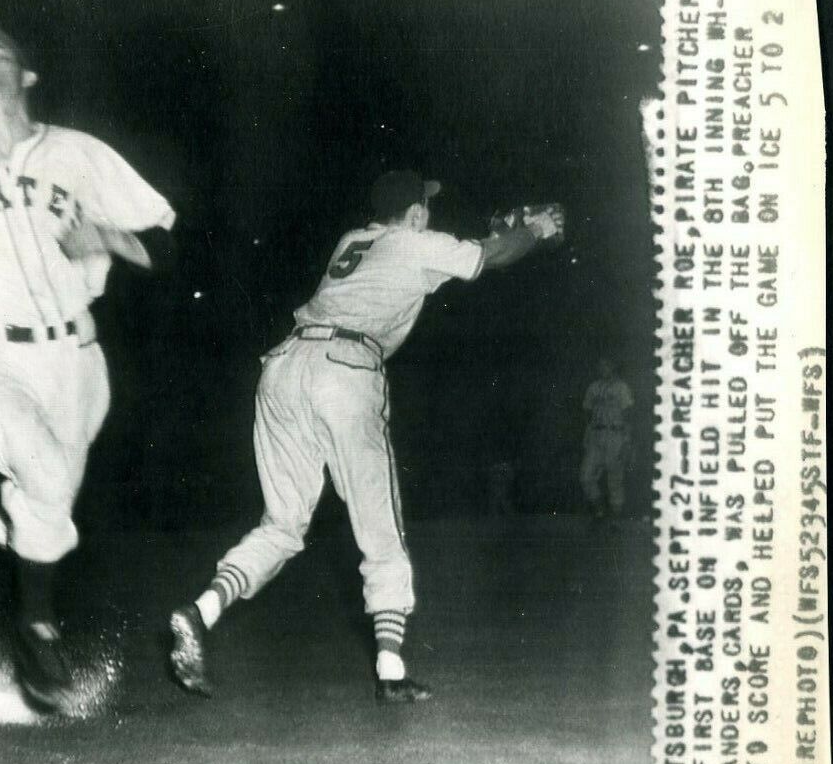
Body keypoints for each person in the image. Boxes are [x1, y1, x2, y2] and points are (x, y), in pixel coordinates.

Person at [166, 172, 564, 701]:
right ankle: (391, 673)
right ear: (417, 214)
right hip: (344, 368)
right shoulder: (413, 241)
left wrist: (496, 236)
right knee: (380, 526)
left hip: (283, 367)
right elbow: (481, 259)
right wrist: (533, 230)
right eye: (426, 206)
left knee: (283, 524)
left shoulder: (353, 241)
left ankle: (201, 610)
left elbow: (434, 260)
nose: (429, 212)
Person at [0, 20, 175, 711]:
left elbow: (166, 241)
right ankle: (35, 630)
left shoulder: (80, 154)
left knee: (47, 502)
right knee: (49, 480)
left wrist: (109, 236)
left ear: (27, 76)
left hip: (73, 358)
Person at [580, 355, 634, 523]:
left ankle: (615, 520)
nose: (603, 369)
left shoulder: (622, 387)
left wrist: (627, 440)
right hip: (597, 434)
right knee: (585, 476)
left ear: (614, 367)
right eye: (600, 365)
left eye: (607, 365)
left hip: (615, 434)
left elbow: (629, 414)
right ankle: (600, 511)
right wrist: (587, 435)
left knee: (615, 479)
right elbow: (587, 411)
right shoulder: (593, 387)